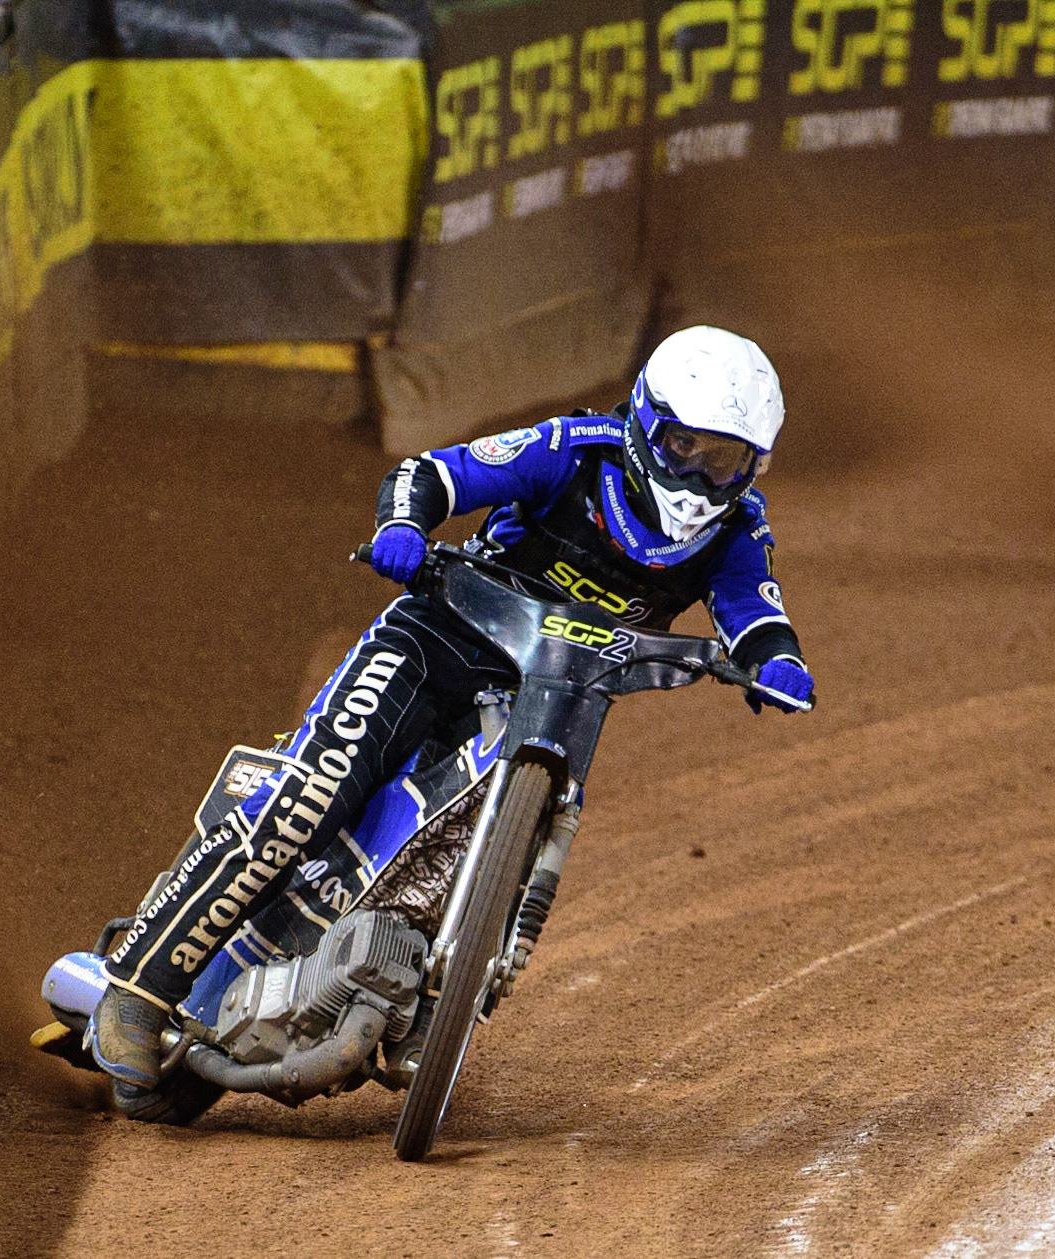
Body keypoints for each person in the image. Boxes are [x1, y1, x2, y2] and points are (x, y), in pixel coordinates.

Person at [90, 325, 815, 1099]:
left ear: (754, 466)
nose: (699, 478)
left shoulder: (738, 528)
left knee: (503, 835)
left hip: (548, 700)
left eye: (724, 460)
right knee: (314, 790)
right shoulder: (575, 449)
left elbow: (752, 607)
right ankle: (135, 991)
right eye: (684, 447)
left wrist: (778, 661)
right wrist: (403, 524)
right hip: (435, 640)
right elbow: (433, 473)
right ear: (644, 419)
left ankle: (433, 992)